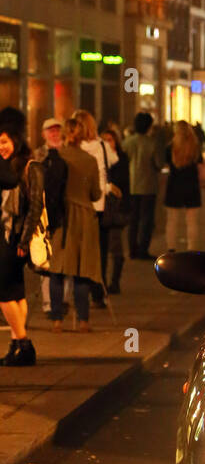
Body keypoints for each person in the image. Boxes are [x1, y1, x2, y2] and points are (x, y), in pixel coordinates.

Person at [49, 117, 101, 332]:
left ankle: (57, 320)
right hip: (84, 219)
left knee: (58, 269)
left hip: (60, 217)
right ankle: (83, 321)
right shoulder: (89, 160)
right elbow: (96, 194)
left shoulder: (57, 158)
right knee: (82, 269)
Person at [0, 109, 43, 366]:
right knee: (16, 293)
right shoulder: (6, 167)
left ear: (16, 139)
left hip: (14, 238)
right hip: (6, 236)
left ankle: (24, 343)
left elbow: (35, 206)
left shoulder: (30, 165)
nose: (1, 147)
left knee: (4, 293)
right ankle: (16, 345)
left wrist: (25, 241)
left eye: (4, 142)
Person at [74, 109, 117, 308]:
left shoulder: (74, 148)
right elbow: (114, 162)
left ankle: (80, 290)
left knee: (80, 250)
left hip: (79, 205)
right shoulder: (102, 145)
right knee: (100, 251)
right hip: (100, 204)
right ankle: (99, 292)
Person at [33, 118, 69, 315]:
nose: (54, 134)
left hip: (65, 214)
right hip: (45, 214)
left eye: (57, 130)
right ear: (43, 133)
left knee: (65, 260)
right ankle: (48, 303)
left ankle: (64, 300)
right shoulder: (38, 155)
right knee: (45, 259)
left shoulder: (68, 153)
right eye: (50, 131)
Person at [124, 112, 161, 260]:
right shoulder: (152, 143)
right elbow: (158, 163)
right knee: (146, 220)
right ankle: (143, 250)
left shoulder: (127, 142)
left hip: (131, 184)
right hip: (148, 185)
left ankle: (132, 249)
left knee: (133, 219)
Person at [100, 124, 130, 294]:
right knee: (103, 249)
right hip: (102, 210)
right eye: (103, 141)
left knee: (116, 248)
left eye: (110, 140)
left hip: (116, 210)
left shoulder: (121, 159)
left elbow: (124, 185)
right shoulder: (98, 159)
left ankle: (115, 281)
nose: (107, 144)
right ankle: (102, 281)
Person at [164, 121, 202, 250]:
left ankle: (171, 248)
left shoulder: (171, 147)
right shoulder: (195, 146)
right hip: (191, 184)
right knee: (192, 221)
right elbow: (200, 161)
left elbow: (166, 163)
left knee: (172, 220)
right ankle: (191, 248)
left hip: (174, 184)